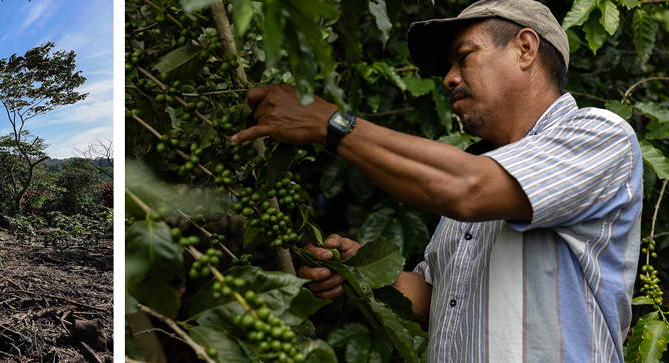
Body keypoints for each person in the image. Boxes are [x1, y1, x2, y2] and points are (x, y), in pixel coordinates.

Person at [234, 0, 641, 361]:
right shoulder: (473, 182)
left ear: (525, 48)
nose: (448, 78)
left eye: (463, 57)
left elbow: (469, 189)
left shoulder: (599, 135)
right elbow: (437, 303)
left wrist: (329, 125)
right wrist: (360, 272)